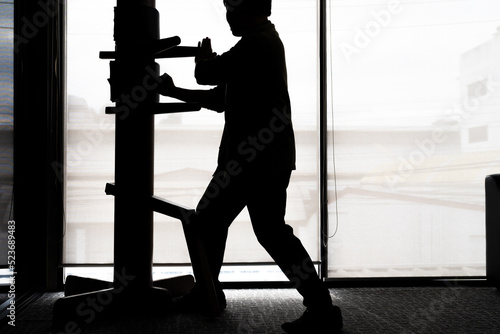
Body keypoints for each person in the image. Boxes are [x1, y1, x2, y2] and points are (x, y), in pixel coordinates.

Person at [158, 0, 343, 332]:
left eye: (231, 10)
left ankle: (209, 292)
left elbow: (206, 74)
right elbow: (217, 99)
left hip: (253, 162)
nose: (228, 17)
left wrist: (203, 59)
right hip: (261, 160)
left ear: (244, 10)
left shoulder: (258, 44)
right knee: (261, 230)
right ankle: (321, 308)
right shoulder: (258, 45)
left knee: (213, 222)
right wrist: (172, 91)